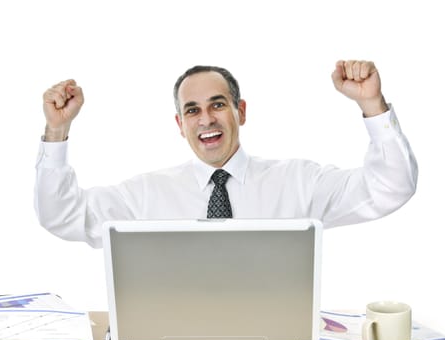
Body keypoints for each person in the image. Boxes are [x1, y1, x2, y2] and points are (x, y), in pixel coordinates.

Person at [35, 60, 417, 248]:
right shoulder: (144, 196)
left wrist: (372, 104)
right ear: (180, 125)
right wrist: (57, 130)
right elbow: (62, 216)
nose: (206, 120)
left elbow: (390, 187)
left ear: (241, 112)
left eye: (218, 105)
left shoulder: (299, 183)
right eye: (192, 110)